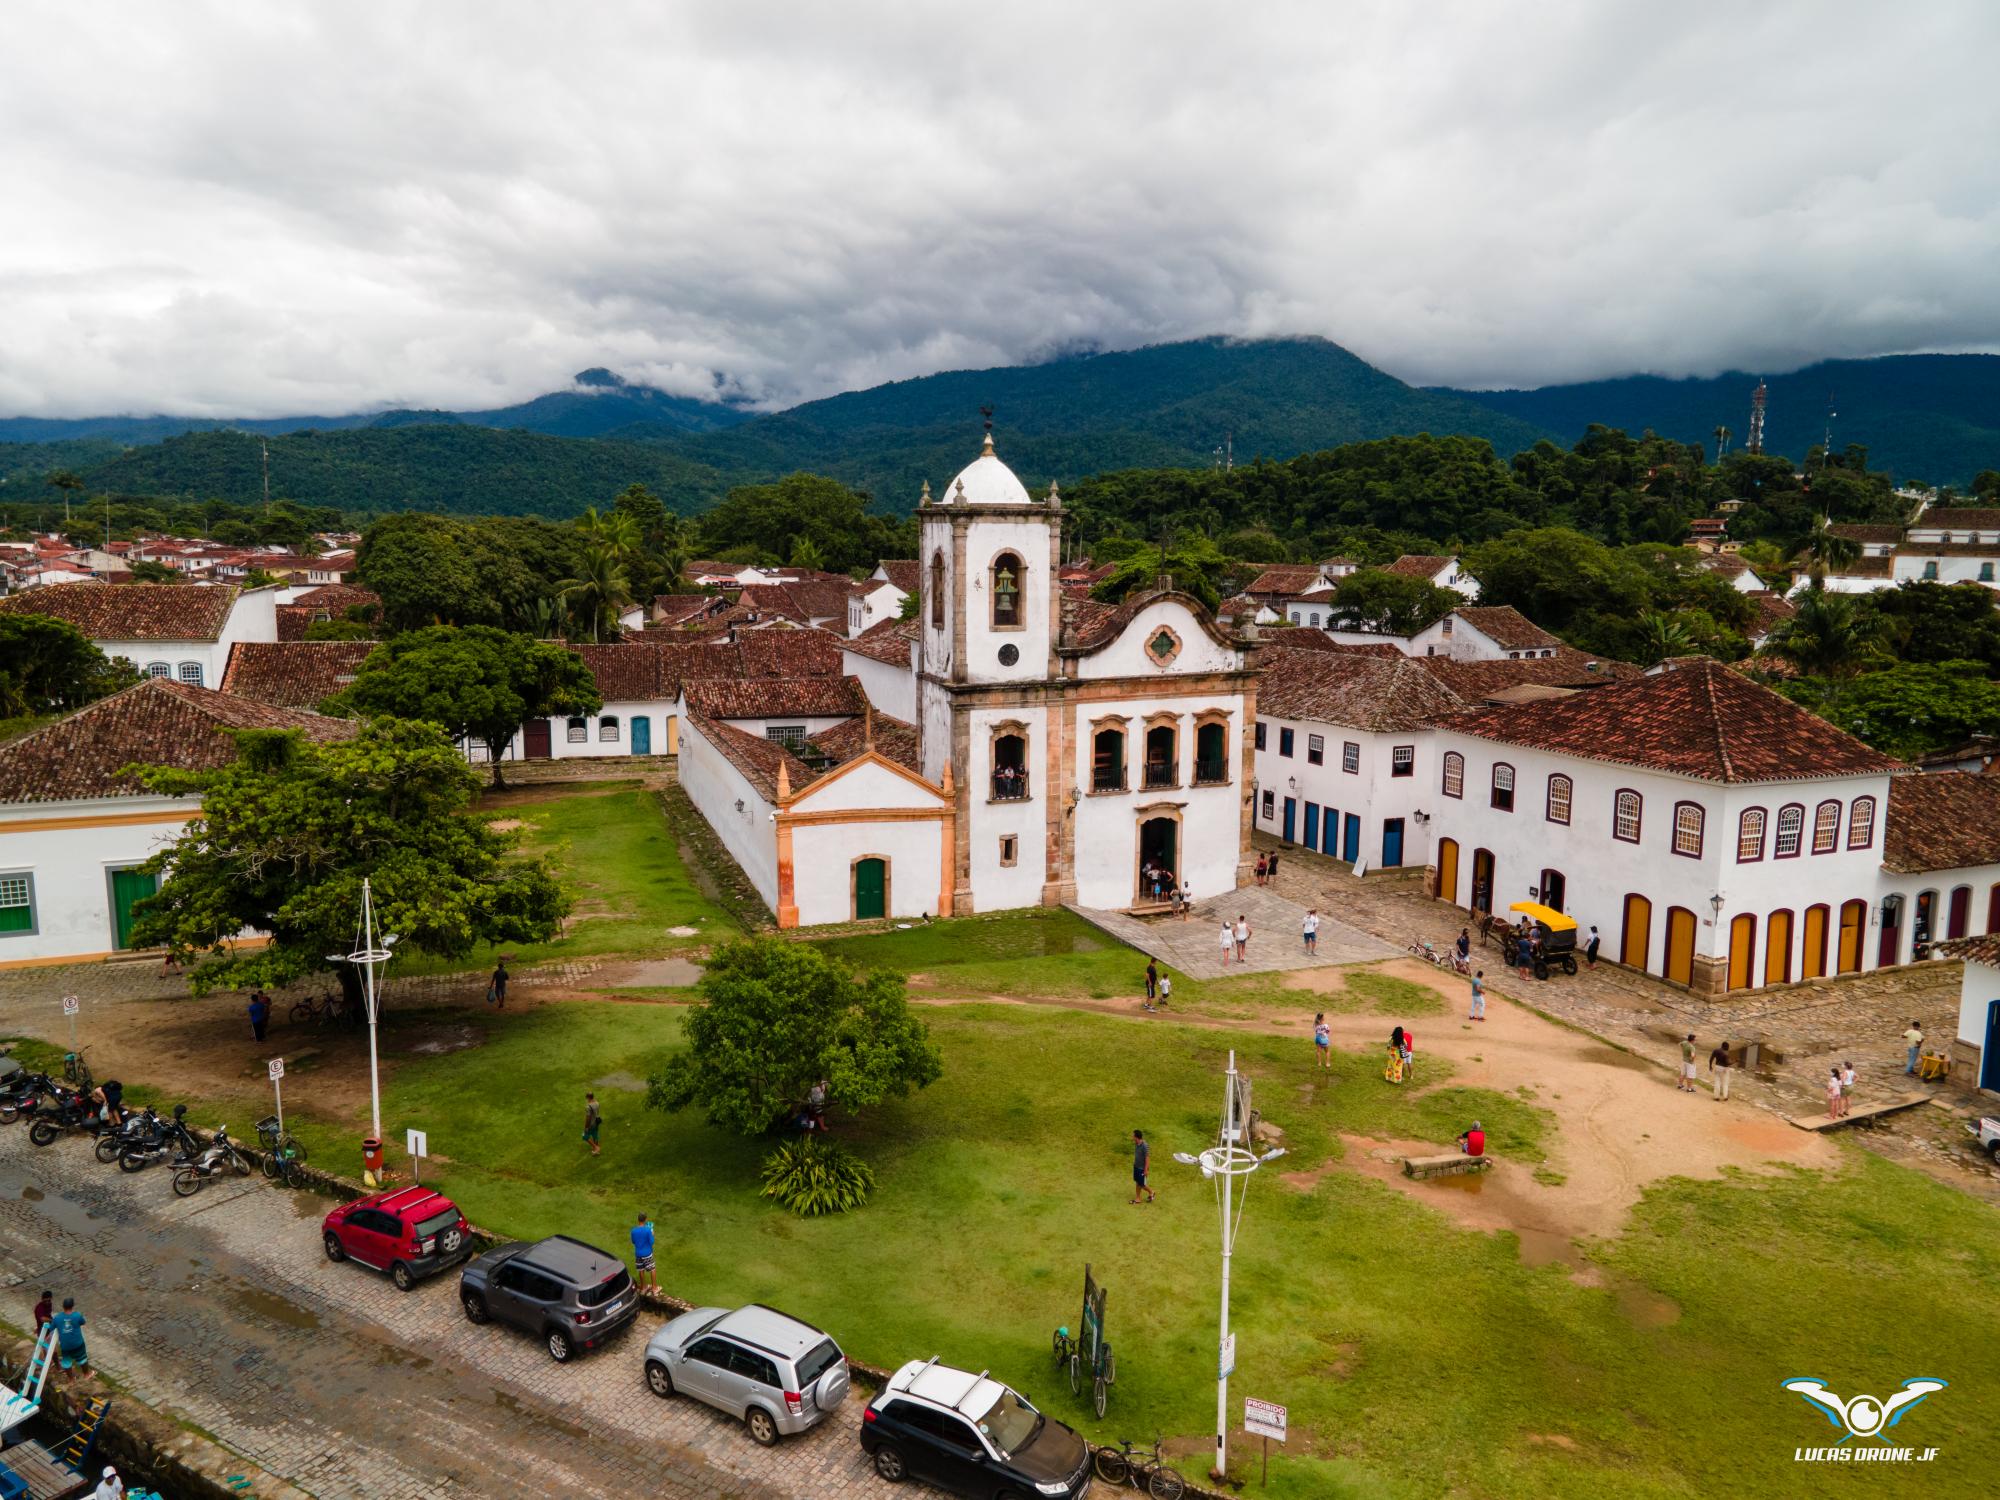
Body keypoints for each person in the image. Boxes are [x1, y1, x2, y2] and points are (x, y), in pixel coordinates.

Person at [51, 1297, 86, 1383]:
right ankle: (87, 1374)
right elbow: (83, 1322)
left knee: (66, 1362)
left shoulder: (57, 1318)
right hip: (77, 1343)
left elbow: (51, 1327)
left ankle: (71, 1379)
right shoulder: (77, 1315)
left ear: (63, 1306)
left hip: (65, 1345)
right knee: (82, 1358)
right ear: (72, 1306)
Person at [630, 1212, 658, 1293]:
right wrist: (652, 1234)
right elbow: (652, 1242)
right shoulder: (648, 1230)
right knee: (652, 1269)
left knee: (641, 1270)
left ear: (638, 1219)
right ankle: (654, 1288)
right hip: (647, 1254)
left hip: (638, 1254)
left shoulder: (633, 1231)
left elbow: (633, 1241)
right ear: (645, 1220)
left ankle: (643, 1287)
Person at [1130, 1129, 1153, 1205]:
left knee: (1142, 1185)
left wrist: (1146, 1170)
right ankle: (1138, 1198)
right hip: (1136, 1166)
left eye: (1133, 1136)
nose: (1132, 1137)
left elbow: (1147, 1158)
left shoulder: (1145, 1146)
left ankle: (1151, 1192)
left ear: (1136, 1137)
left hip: (1142, 1169)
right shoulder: (1136, 1143)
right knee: (1137, 1182)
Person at [582, 1091, 601, 1156]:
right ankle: (596, 1151)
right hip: (596, 1122)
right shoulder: (597, 1103)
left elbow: (588, 1118)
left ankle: (596, 1148)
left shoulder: (588, 1107)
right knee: (595, 1134)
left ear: (588, 1098)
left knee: (584, 1136)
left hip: (591, 1124)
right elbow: (597, 1112)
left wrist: (586, 1127)